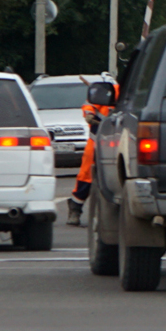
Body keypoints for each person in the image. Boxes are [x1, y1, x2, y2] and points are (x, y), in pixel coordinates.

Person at [66, 82, 118, 226]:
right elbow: (89, 104)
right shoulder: (109, 91)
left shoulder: (136, 91)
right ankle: (75, 207)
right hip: (98, 143)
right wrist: (89, 114)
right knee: (86, 176)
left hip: (123, 144)